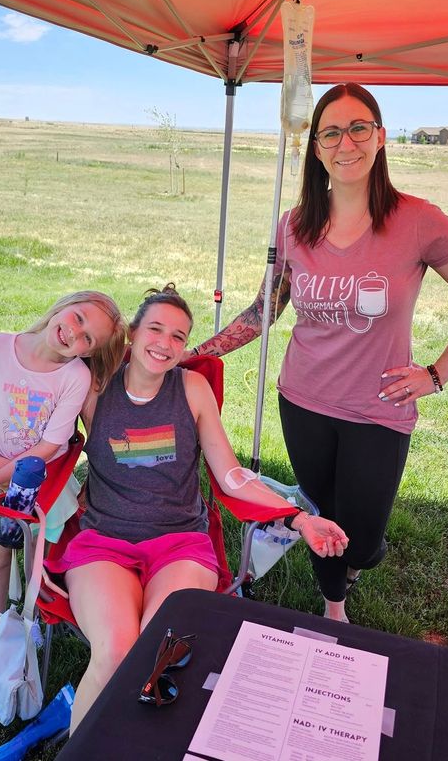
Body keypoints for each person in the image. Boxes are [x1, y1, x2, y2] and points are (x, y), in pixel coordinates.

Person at [188, 83, 448, 623]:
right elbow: (263, 311)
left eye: (359, 128)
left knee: (362, 535)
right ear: (316, 148)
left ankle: (359, 558)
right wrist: (190, 354)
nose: (346, 143)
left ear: (380, 137)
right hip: (304, 401)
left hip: (379, 409)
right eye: (331, 133)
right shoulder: (295, 226)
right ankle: (334, 609)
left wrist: (437, 373)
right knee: (324, 512)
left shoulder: (418, 220)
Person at [51, 285, 348, 733]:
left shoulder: (191, 389)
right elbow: (38, 407)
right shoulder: (94, 388)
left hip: (180, 545)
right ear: (132, 333)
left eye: (178, 336)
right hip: (104, 542)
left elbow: (230, 475)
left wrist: (299, 517)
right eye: (155, 329)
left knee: (157, 650)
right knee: (114, 652)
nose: (165, 344)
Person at [0, 290, 127, 645]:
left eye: (87, 339)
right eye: (78, 318)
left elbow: (48, 447)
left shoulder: (75, 376)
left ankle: (32, 617)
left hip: (44, 485)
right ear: (65, 305)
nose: (74, 333)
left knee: (37, 558)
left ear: (89, 353)